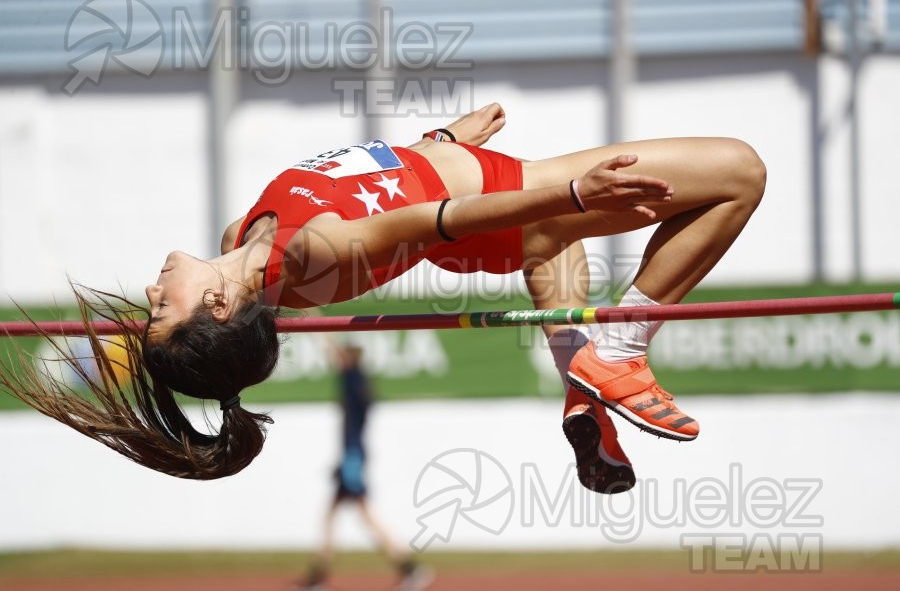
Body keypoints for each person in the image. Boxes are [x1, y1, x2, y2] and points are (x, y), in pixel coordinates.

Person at [0, 103, 766, 486]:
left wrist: (442, 145)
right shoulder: (309, 257)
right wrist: (569, 189)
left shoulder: (245, 232)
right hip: (513, 201)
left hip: (499, 190)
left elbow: (378, 185)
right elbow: (442, 218)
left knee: (562, 258)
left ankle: (582, 385)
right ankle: (622, 350)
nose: (150, 288)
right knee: (738, 172)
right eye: (161, 306)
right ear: (219, 307)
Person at [296, 342, 432, 591]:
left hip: (353, 459)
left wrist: (309, 314)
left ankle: (410, 568)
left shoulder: (352, 380)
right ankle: (319, 575)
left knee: (366, 517)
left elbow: (332, 353)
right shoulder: (360, 382)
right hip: (351, 457)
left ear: (350, 360)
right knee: (333, 516)